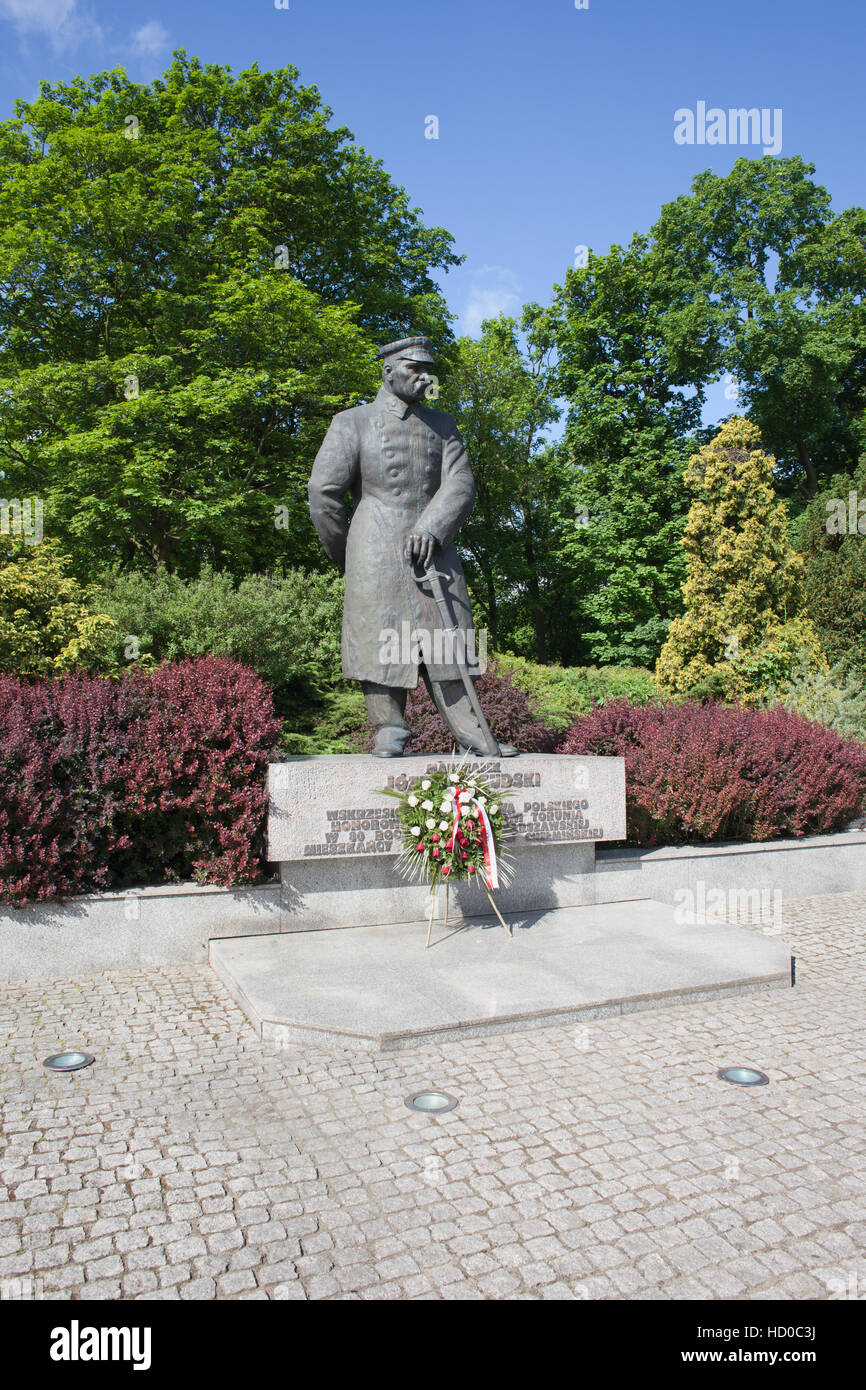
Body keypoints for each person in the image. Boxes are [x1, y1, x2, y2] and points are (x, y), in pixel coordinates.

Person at [308, 335, 517, 758]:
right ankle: (389, 729)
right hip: (375, 550)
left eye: (428, 369)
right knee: (381, 637)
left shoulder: (444, 425)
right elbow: (322, 492)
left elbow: (461, 482)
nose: (425, 377)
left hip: (435, 553)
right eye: (414, 369)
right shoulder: (353, 422)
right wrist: (347, 552)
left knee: (448, 637)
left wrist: (434, 527)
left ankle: (473, 732)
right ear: (388, 372)